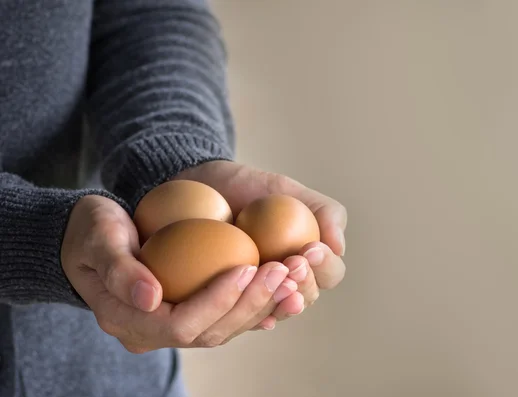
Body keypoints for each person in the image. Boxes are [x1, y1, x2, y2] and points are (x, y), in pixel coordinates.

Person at [0, 1, 347, 396]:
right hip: (102, 279)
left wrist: (173, 154)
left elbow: (150, 13)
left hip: (103, 363)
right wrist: (34, 234)